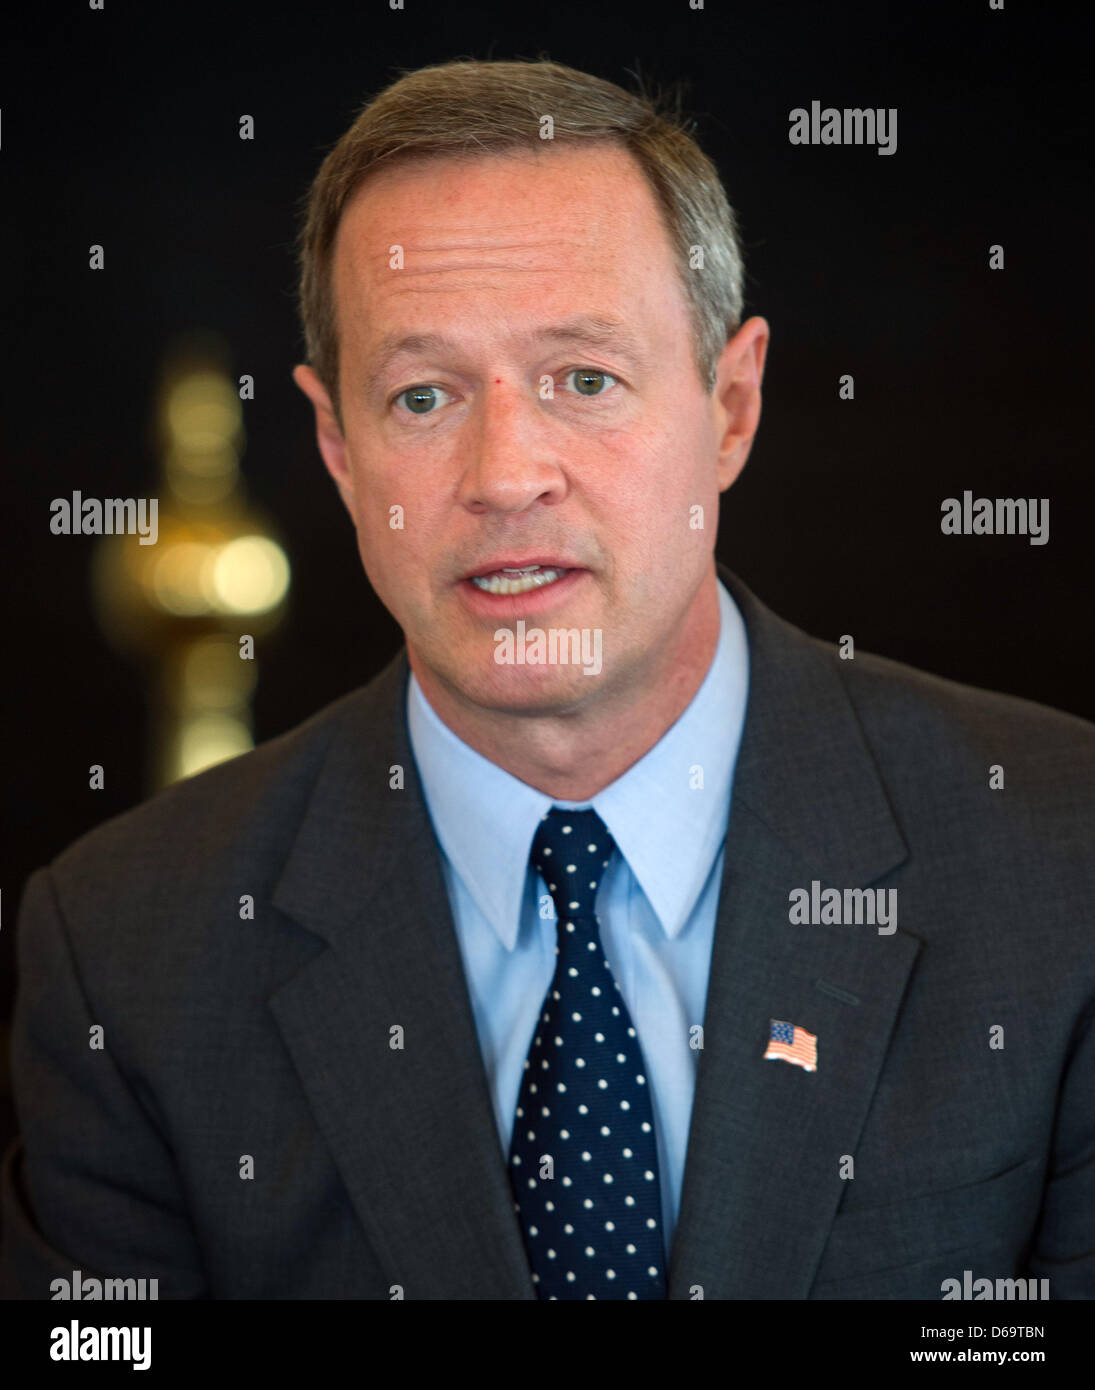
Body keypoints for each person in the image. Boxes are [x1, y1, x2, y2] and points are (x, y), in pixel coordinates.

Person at [2, 57, 1092, 1301]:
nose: (505, 473)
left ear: (731, 406)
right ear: (337, 449)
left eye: (584, 379)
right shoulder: (124, 951)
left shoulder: (1065, 871)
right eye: (422, 395)